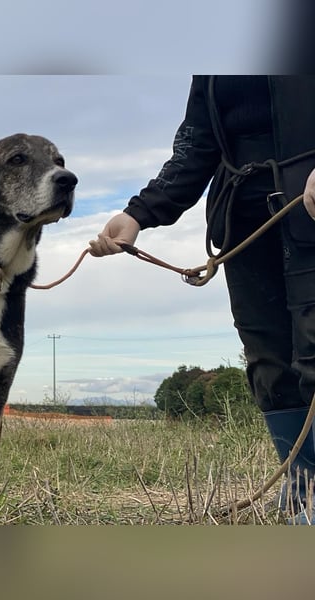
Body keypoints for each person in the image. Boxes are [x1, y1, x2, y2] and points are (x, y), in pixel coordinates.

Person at [89, 76, 315, 523]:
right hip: (243, 218)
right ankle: (303, 485)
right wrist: (138, 213)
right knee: (268, 358)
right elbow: (196, 145)